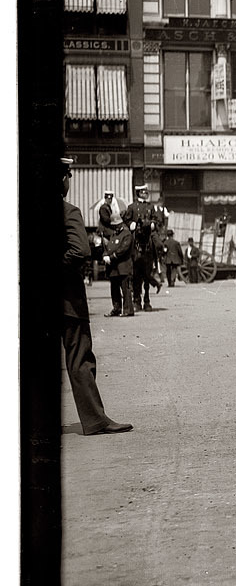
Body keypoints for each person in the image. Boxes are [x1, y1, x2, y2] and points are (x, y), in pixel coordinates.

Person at [61, 159, 132, 435]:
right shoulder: (69, 212)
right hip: (67, 299)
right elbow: (80, 251)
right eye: (67, 176)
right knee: (79, 357)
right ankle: (94, 420)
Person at [101, 219, 135, 317]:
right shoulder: (113, 235)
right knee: (114, 289)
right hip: (113, 267)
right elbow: (108, 248)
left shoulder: (127, 235)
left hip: (123, 266)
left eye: (115, 225)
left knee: (126, 289)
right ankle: (117, 308)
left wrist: (111, 257)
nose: (114, 227)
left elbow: (123, 249)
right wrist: (105, 255)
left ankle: (128, 310)